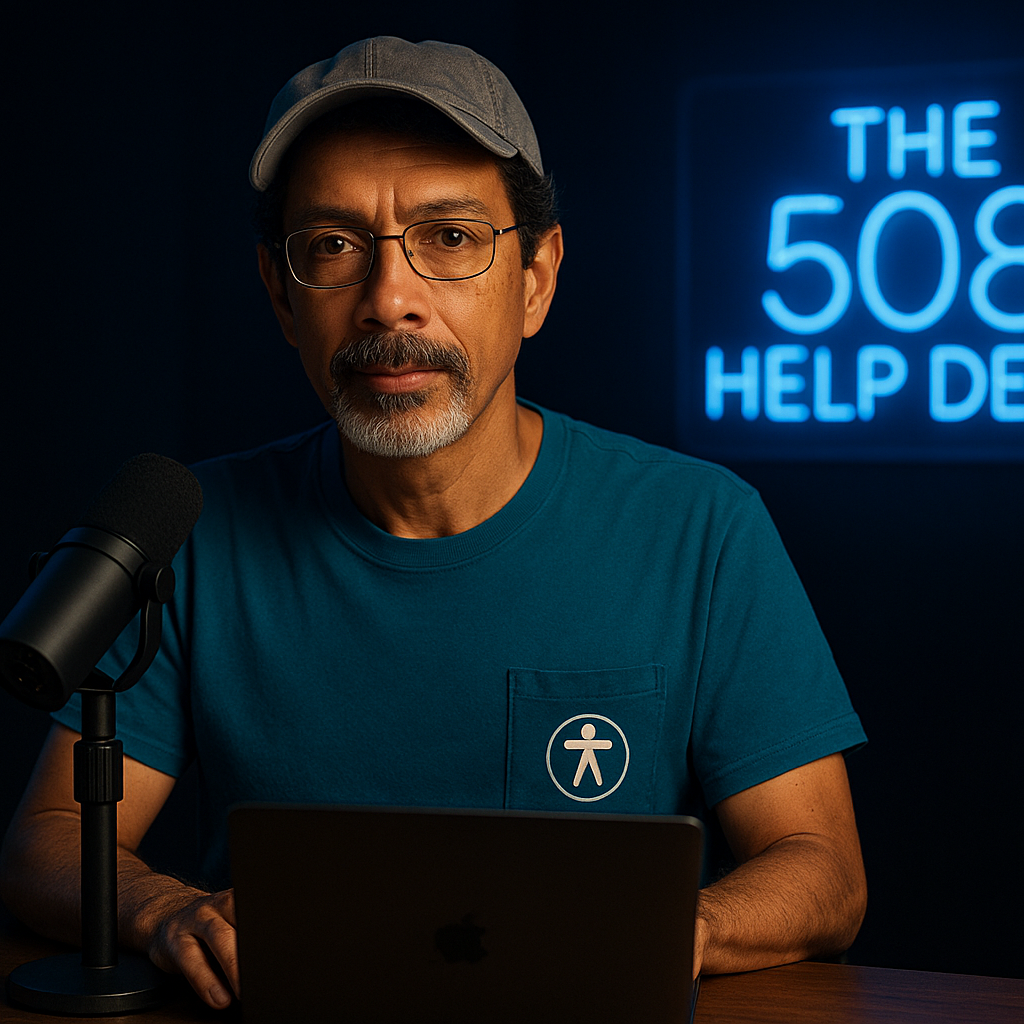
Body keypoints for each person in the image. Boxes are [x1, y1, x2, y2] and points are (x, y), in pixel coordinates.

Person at [0, 36, 867, 1011]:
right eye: (331, 245)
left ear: (536, 277)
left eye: (449, 238)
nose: (389, 299)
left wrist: (678, 926)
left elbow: (823, 870)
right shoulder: (193, 532)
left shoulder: (700, 526)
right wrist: (161, 908)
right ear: (281, 296)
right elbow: (47, 837)